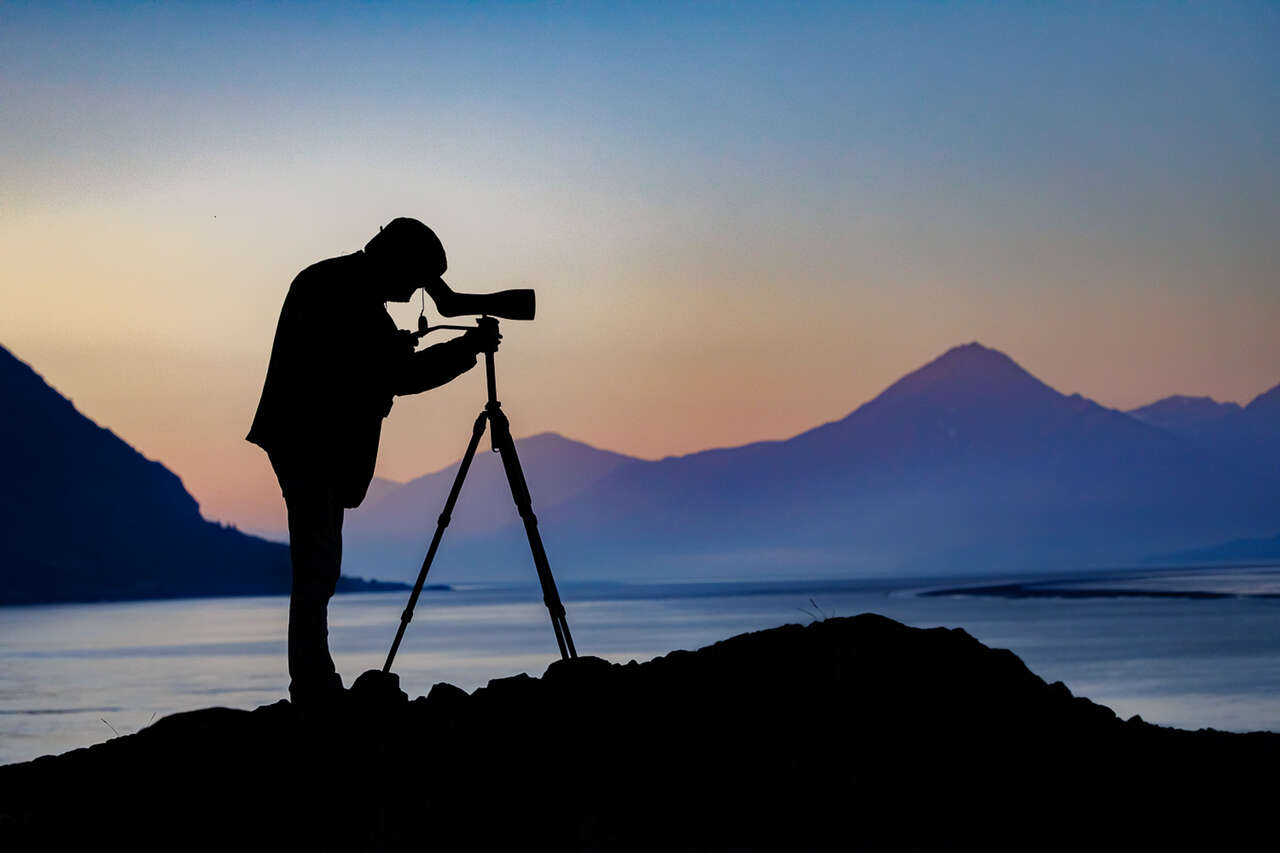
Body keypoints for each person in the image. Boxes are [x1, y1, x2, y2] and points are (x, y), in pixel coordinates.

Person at [247, 218, 499, 705]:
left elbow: (369, 364)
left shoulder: (336, 283)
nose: (413, 292)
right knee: (317, 566)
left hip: (305, 441)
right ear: (396, 261)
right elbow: (395, 375)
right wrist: (467, 349)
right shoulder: (347, 294)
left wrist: (394, 350)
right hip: (309, 443)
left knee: (318, 565)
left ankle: (314, 683)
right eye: (415, 278)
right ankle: (314, 689)